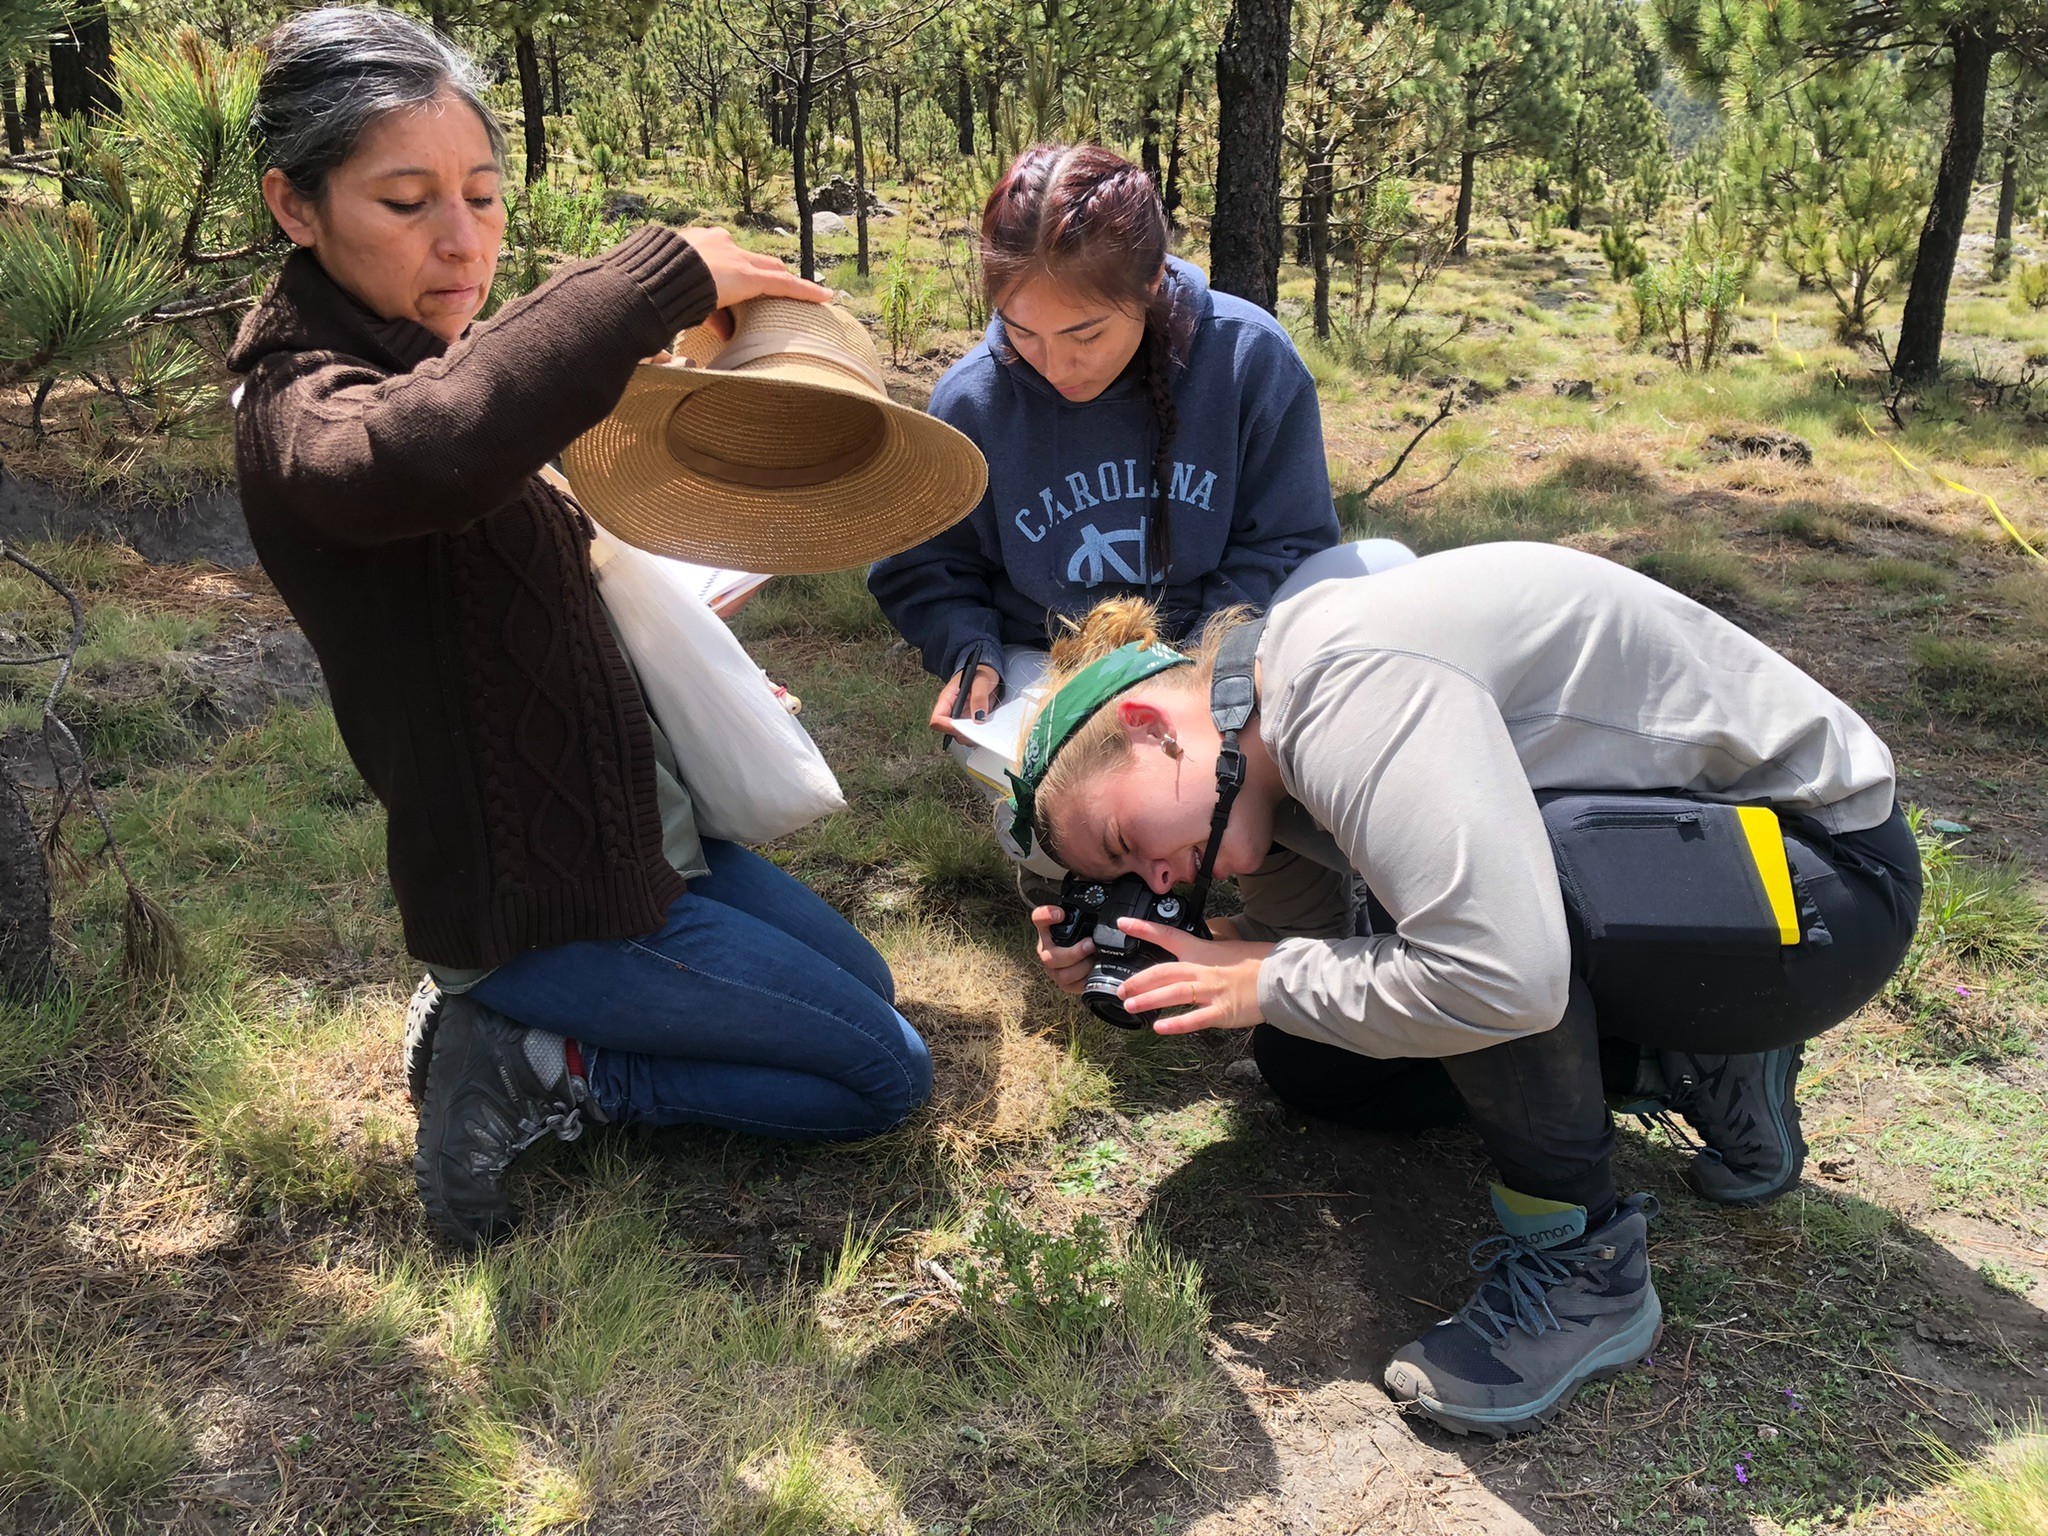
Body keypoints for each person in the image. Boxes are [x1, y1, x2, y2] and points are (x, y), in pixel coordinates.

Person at [230, 7, 933, 1249]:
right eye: (407, 202)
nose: (462, 241)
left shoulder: (444, 355)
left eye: (484, 195)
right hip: (544, 895)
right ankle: (550, 1067)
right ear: (298, 207)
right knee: (885, 1075)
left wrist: (691, 684)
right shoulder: (305, 410)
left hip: (641, 840)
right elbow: (426, 450)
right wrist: (648, 279)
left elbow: (530, 579)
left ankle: (503, 1025)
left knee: (865, 992)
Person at [1013, 543, 1920, 1436]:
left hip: (1824, 883)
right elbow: (1316, 948)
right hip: (1698, 887)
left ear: (1147, 724)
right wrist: (1161, 954)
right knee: (1313, 1063)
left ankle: (1584, 1267)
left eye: (1128, 844)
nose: (1162, 881)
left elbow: (1493, 968)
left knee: (1476, 942)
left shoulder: (1337, 688)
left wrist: (1266, 978)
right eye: (1137, 884)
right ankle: (1682, 1055)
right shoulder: (1257, 755)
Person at [868, 143, 1349, 748]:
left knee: (1377, 570)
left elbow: (1291, 539)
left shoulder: (1248, 360)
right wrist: (970, 649)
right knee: (1101, 813)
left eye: (1086, 333)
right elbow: (923, 567)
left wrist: (1198, 664)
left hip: (1215, 648)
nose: (1055, 365)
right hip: (1044, 664)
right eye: (1021, 332)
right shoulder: (971, 402)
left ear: (1150, 283)